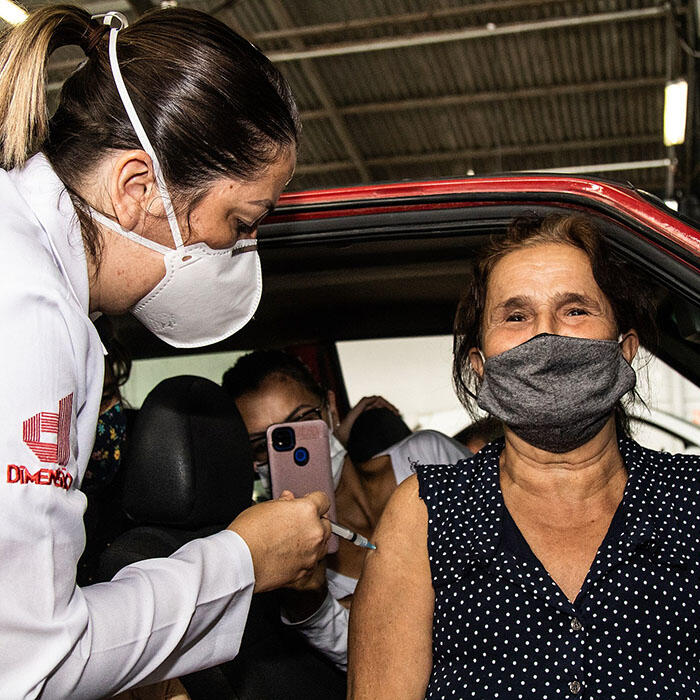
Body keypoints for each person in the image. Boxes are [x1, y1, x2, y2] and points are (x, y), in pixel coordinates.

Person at [0, 7, 331, 697]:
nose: (237, 252)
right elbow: (32, 663)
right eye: (239, 223)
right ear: (137, 189)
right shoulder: (34, 312)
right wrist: (243, 560)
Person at [348, 213, 700, 699]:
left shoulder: (690, 497)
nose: (545, 337)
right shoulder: (425, 514)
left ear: (626, 349)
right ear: (479, 367)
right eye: (516, 316)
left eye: (575, 310)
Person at [223, 350, 470, 670]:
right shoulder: (296, 563)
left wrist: (369, 607)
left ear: (331, 409)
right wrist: (311, 605)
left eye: (302, 421)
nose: (292, 452)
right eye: (262, 445)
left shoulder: (427, 457)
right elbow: (376, 662)